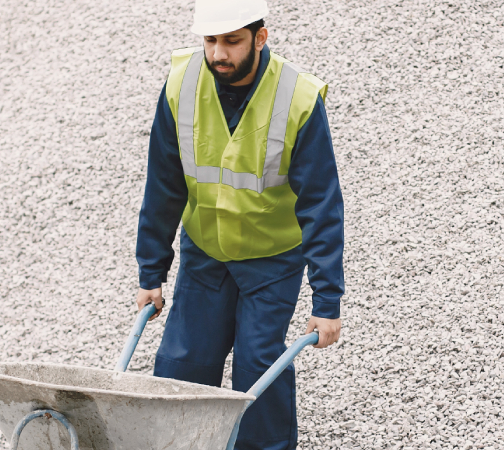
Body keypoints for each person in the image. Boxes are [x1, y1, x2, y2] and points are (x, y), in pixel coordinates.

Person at [132, 0, 344, 448]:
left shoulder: (298, 99)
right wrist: (151, 272)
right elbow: (163, 183)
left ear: (260, 38)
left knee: (258, 371)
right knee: (181, 367)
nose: (218, 54)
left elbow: (321, 204)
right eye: (210, 41)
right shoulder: (181, 85)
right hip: (205, 253)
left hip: (272, 259)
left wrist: (327, 301)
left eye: (232, 41)